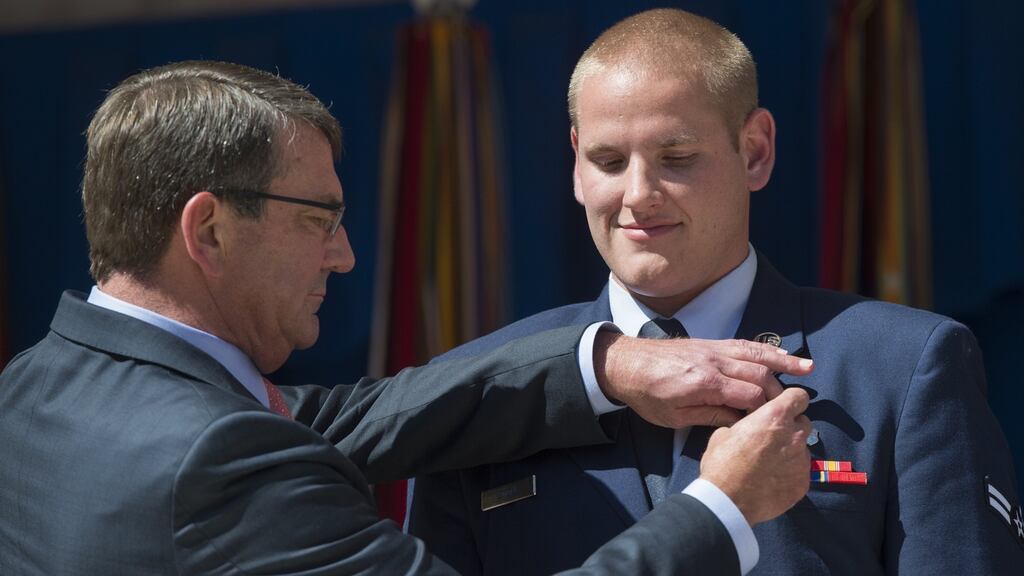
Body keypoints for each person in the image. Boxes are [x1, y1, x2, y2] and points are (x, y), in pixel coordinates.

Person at [0, 59, 817, 575]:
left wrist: (605, 365)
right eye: (318, 220)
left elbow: (345, 418)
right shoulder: (217, 459)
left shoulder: (34, 390)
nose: (345, 255)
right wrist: (720, 509)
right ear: (208, 230)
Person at [409, 8, 1024, 576]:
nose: (638, 194)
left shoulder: (901, 366)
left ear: (755, 151)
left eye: (676, 157)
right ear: (575, 162)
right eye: (608, 160)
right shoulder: (473, 389)